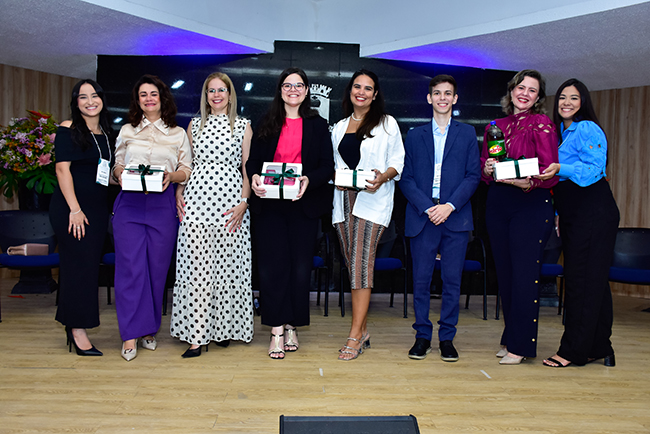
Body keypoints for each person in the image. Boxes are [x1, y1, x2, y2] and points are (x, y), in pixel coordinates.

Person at [246, 67, 334, 360]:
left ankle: (292, 324)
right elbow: (253, 162)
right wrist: (255, 177)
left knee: (299, 270)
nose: (293, 90)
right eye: (287, 85)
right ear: (280, 90)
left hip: (303, 206)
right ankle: (276, 330)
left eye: (298, 85)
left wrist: (309, 179)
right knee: (272, 269)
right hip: (270, 206)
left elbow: (327, 166)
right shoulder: (267, 121)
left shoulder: (318, 125)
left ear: (306, 91)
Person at [171, 72, 254, 358]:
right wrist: (179, 191)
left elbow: (247, 168)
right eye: (211, 90)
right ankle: (197, 335)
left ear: (230, 95)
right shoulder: (194, 125)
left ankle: (222, 329)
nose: (216, 95)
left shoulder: (243, 125)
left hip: (230, 206)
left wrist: (244, 202)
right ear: (206, 96)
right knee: (197, 270)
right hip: (196, 203)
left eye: (221, 90)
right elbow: (187, 164)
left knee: (226, 269)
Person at [537, 79, 619, 368]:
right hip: (574, 211)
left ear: (583, 102)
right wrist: (560, 212)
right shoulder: (560, 132)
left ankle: (573, 351)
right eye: (562, 97)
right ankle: (599, 346)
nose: (566, 103)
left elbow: (595, 169)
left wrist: (562, 168)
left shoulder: (586, 128)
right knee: (594, 280)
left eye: (573, 97)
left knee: (580, 280)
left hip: (593, 210)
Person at [399, 75, 480, 362]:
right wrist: (427, 207)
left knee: (452, 282)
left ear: (455, 99)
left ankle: (447, 338)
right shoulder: (414, 135)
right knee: (420, 281)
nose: (442, 98)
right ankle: (422, 336)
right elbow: (406, 179)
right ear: (429, 98)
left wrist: (449, 206)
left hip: (455, 217)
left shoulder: (467, 133)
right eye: (437, 93)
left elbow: (473, 176)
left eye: (448, 93)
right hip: (423, 216)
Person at [112, 74, 192, 361]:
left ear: (162, 98)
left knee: (156, 270)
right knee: (130, 269)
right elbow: (117, 165)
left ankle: (148, 329)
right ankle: (130, 334)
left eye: (153, 94)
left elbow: (186, 169)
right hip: (130, 205)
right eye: (143, 94)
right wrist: (120, 174)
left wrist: (171, 176)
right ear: (137, 100)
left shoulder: (177, 133)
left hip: (162, 204)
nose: (148, 98)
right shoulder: (127, 130)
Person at [481, 69, 558, 365]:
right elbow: (485, 168)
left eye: (532, 90)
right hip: (499, 202)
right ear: (511, 90)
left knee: (525, 275)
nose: (524, 94)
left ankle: (521, 345)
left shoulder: (542, 124)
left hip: (531, 202)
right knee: (506, 274)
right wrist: (487, 169)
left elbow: (549, 170)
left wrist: (529, 182)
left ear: (538, 98)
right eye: (521, 88)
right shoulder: (494, 126)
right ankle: (511, 336)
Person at [331, 69, 405, 361]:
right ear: (350, 91)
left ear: (375, 95)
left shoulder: (387, 123)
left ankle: (354, 335)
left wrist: (383, 177)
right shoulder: (339, 126)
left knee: (361, 264)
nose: (361, 92)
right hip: (343, 202)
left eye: (368, 88)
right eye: (357, 87)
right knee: (353, 265)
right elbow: (335, 164)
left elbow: (397, 161)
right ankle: (363, 330)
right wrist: (335, 179)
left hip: (372, 200)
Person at [49, 79, 114, 356]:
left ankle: (72, 322)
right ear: (76, 102)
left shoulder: (106, 133)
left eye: (94, 95)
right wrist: (74, 210)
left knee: (86, 268)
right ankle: (77, 330)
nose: (90, 101)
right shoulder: (68, 128)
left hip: (96, 211)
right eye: (83, 97)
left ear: (102, 99)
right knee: (79, 269)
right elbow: (62, 170)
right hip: (72, 210)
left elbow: (106, 174)